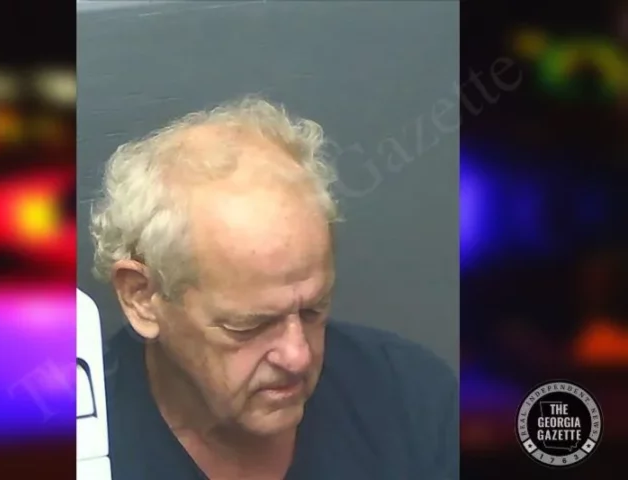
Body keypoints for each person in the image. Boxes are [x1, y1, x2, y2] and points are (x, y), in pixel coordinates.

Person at [89, 96, 458, 480]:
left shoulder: (411, 401)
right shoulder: (78, 440)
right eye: (249, 326)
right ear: (142, 296)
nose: (297, 357)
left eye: (313, 310)